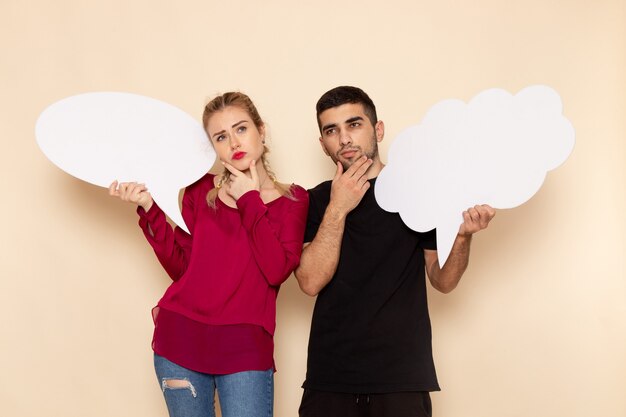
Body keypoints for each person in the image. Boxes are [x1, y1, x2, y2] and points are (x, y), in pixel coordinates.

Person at [295, 86, 496, 417]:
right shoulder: (314, 201)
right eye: (332, 130)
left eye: (354, 124)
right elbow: (310, 282)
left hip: (402, 377)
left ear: (378, 130)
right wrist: (338, 208)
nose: (344, 138)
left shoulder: (418, 193)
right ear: (323, 144)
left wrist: (462, 237)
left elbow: (442, 280)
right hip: (331, 378)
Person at [109, 92, 309, 417]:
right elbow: (183, 267)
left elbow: (275, 270)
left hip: (245, 346)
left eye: (241, 129)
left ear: (262, 130)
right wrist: (150, 208)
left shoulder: (293, 200)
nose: (233, 142)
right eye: (221, 136)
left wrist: (249, 199)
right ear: (212, 146)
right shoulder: (199, 191)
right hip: (181, 340)